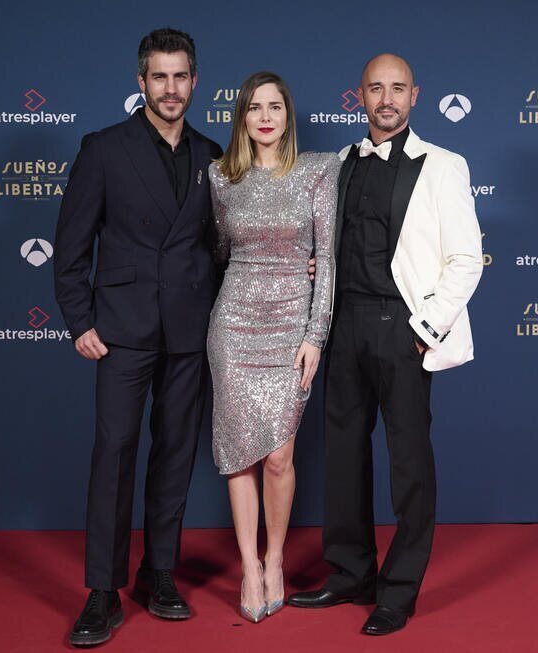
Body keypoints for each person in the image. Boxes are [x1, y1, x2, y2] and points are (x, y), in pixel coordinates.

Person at [287, 54, 483, 636]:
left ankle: (398, 590)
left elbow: (467, 257)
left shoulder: (444, 166)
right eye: (376, 88)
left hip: (404, 328)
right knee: (343, 456)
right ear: (360, 96)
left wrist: (425, 331)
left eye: (398, 88)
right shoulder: (339, 163)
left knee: (409, 464)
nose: (387, 98)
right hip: (344, 324)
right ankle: (349, 573)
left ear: (415, 95)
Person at [52, 28, 223, 647]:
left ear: (195, 81)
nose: (171, 88)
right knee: (115, 455)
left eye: (181, 77)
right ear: (141, 81)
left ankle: (160, 573)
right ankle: (103, 590)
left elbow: (225, 247)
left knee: (175, 456)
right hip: (120, 330)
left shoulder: (213, 153)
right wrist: (80, 320)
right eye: (159, 77)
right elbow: (70, 247)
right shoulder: (102, 148)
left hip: (189, 329)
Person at [207, 71, 340, 623]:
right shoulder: (220, 177)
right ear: (242, 117)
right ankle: (249, 566)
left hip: (292, 323)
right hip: (234, 324)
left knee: (280, 455)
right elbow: (218, 249)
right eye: (255, 107)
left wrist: (316, 333)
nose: (265, 116)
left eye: (275, 107)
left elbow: (326, 258)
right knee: (240, 456)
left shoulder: (317, 171)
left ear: (288, 116)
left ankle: (277, 558)